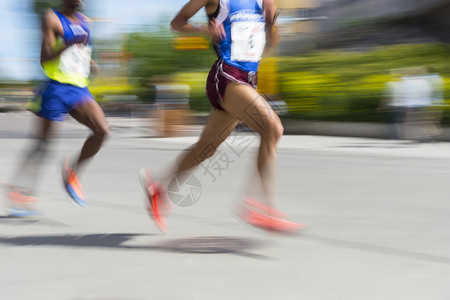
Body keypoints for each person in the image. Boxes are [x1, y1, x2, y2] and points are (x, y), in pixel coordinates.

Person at [139, 0, 302, 233]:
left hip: (248, 80)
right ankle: (261, 205)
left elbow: (273, 44)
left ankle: (159, 189)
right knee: (273, 128)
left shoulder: (263, 2)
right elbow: (177, 23)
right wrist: (204, 30)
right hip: (227, 75)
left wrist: (271, 21)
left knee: (206, 149)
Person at [4, 0, 110, 216]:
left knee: (102, 131)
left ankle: (72, 173)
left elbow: (82, 51)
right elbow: (44, 60)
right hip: (56, 88)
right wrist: (68, 44)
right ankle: (19, 190)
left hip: (79, 89)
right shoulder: (52, 18)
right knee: (42, 145)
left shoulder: (85, 21)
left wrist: (91, 63)